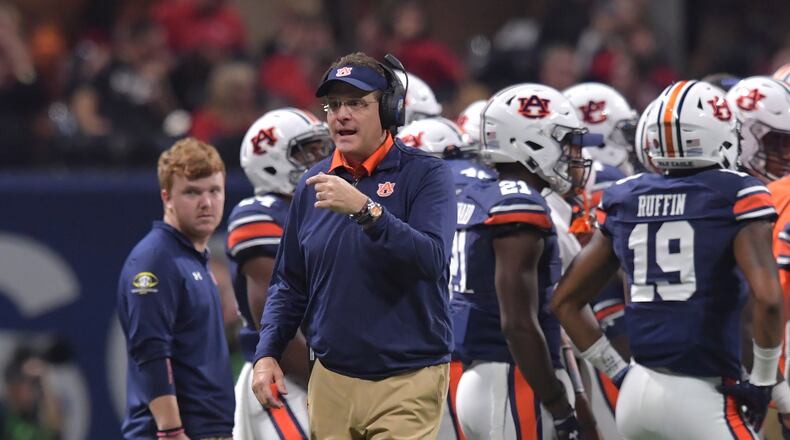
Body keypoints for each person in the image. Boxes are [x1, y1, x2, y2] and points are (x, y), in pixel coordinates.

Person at [551, 80, 784, 439]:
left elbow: (565, 301)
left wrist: (618, 372)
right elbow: (767, 301)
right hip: (702, 395)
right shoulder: (737, 193)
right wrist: (765, 383)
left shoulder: (625, 196)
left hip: (636, 390)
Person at [250, 52, 457, 439]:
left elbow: (431, 259)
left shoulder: (427, 175)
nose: (341, 115)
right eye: (333, 105)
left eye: (357, 103)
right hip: (330, 380)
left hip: (406, 379)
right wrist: (267, 353)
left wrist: (366, 210)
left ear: (390, 109)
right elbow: (289, 283)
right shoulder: (312, 182)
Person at [450, 83, 597, 439]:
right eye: (563, 144)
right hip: (513, 378)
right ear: (530, 142)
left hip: (477, 378)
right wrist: (559, 404)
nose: (571, 156)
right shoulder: (519, 205)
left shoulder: (476, 194)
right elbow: (517, 323)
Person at [117, 138, 234, 440]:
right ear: (167, 197)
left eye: (214, 190)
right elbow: (151, 349)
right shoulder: (156, 260)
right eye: (192, 192)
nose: (206, 202)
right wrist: (171, 430)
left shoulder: (193, 260)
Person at [228, 107, 331, 439]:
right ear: (270, 161)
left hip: (333, 372)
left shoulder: (328, 208)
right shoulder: (260, 214)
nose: (321, 157)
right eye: (307, 150)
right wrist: (333, 386)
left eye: (322, 147)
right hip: (284, 380)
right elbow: (276, 325)